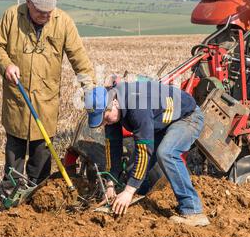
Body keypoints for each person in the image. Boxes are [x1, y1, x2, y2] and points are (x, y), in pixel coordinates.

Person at [0, 0, 95, 193]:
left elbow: (79, 58)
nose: (45, 16)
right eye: (40, 12)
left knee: (42, 149)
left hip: (46, 98)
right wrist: (6, 64)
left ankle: (38, 192)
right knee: (15, 147)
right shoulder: (12, 16)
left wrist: (88, 86)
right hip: (17, 96)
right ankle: (12, 192)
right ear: (29, 3)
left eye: (49, 12)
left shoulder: (63, 22)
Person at [84, 80, 210, 227]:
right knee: (132, 171)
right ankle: (137, 200)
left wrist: (128, 191)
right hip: (161, 124)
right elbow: (113, 148)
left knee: (166, 153)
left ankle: (193, 211)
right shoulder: (111, 106)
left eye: (105, 118)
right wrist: (110, 184)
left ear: (114, 103)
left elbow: (144, 151)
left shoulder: (137, 105)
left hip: (187, 117)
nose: (105, 123)